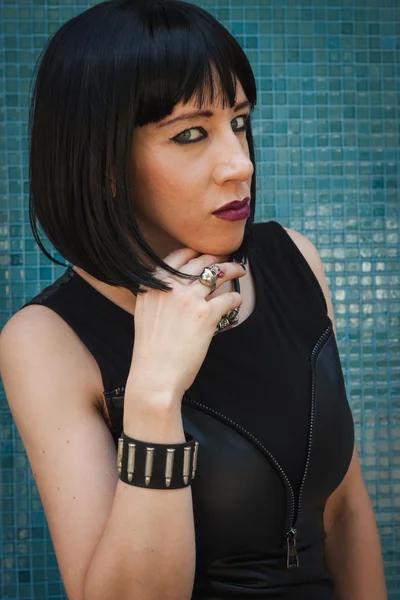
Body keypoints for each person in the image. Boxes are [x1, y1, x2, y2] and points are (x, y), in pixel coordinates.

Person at [0, 1, 387, 599]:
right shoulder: (45, 340)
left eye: (238, 120)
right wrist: (155, 396)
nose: (241, 164)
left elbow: (345, 513)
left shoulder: (294, 261)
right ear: (105, 164)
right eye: (189, 134)